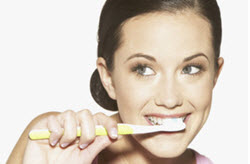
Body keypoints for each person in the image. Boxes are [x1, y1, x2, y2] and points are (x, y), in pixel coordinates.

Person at [7, 0, 224, 163]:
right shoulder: (49, 143)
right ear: (108, 78)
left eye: (191, 69)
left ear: (215, 74)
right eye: (144, 69)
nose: (169, 99)